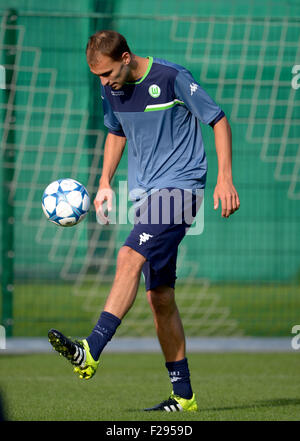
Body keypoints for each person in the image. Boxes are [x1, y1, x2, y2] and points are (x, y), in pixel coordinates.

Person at [48, 30, 240, 412]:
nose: (104, 83)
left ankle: (91, 349)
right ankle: (184, 396)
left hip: (181, 190)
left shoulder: (171, 77)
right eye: (98, 77)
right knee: (160, 298)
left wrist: (225, 177)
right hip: (146, 197)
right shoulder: (111, 88)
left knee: (127, 257)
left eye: (106, 74)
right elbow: (116, 132)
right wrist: (104, 181)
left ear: (125, 57)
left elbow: (217, 120)